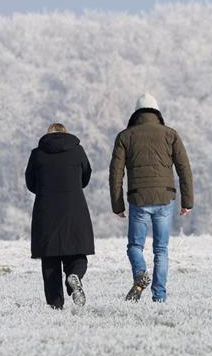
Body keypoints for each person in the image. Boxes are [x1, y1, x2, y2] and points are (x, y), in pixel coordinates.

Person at [109, 93, 194, 303]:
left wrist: (117, 204)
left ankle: (140, 273)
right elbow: (185, 169)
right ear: (157, 112)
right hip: (165, 197)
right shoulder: (170, 134)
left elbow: (116, 173)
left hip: (138, 198)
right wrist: (187, 202)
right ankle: (159, 296)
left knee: (135, 247)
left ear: (136, 114)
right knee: (161, 250)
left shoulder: (125, 136)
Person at [25, 123, 95, 309]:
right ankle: (75, 276)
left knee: (50, 261)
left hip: (45, 211)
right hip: (74, 209)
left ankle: (55, 305)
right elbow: (86, 176)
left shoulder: (37, 154)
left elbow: (30, 183)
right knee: (77, 254)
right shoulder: (77, 151)